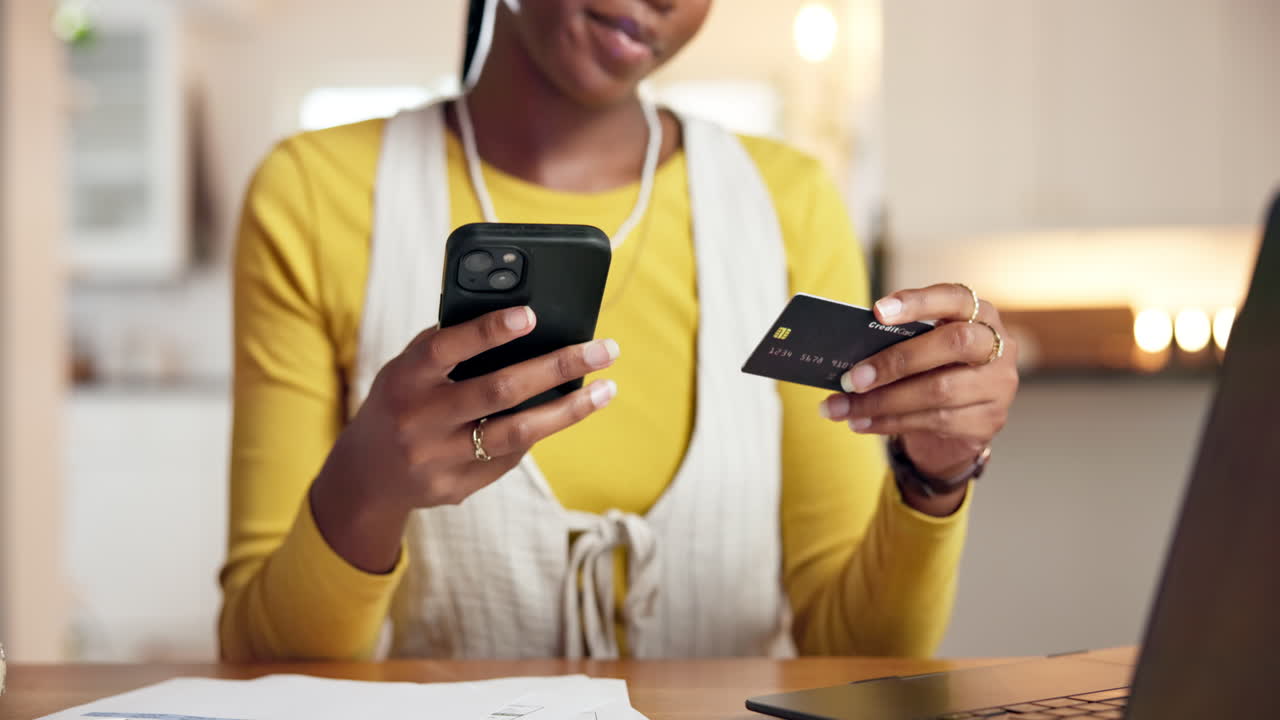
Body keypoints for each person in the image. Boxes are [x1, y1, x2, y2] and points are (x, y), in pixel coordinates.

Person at [219, 0, 1019, 661]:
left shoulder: (790, 207)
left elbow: (855, 658)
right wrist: (366, 488)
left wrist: (934, 478)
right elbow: (259, 668)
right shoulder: (312, 198)